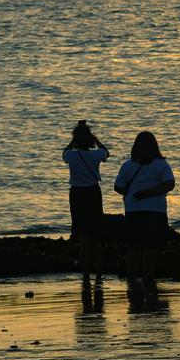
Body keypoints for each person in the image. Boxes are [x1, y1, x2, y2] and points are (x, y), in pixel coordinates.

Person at [114, 131, 176, 308]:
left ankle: (132, 281)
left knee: (134, 248)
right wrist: (151, 192)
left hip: (133, 211)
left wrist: (135, 193)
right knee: (152, 248)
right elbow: (169, 184)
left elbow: (118, 187)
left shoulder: (127, 166)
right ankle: (148, 280)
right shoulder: (161, 164)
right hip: (156, 211)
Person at [62, 120, 109, 288]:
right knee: (96, 236)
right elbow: (106, 153)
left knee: (83, 237)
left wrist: (73, 141)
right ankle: (98, 273)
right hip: (93, 194)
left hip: (77, 195)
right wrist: (95, 139)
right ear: (90, 140)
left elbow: (64, 154)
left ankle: (86, 274)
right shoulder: (96, 155)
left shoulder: (72, 155)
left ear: (75, 140)